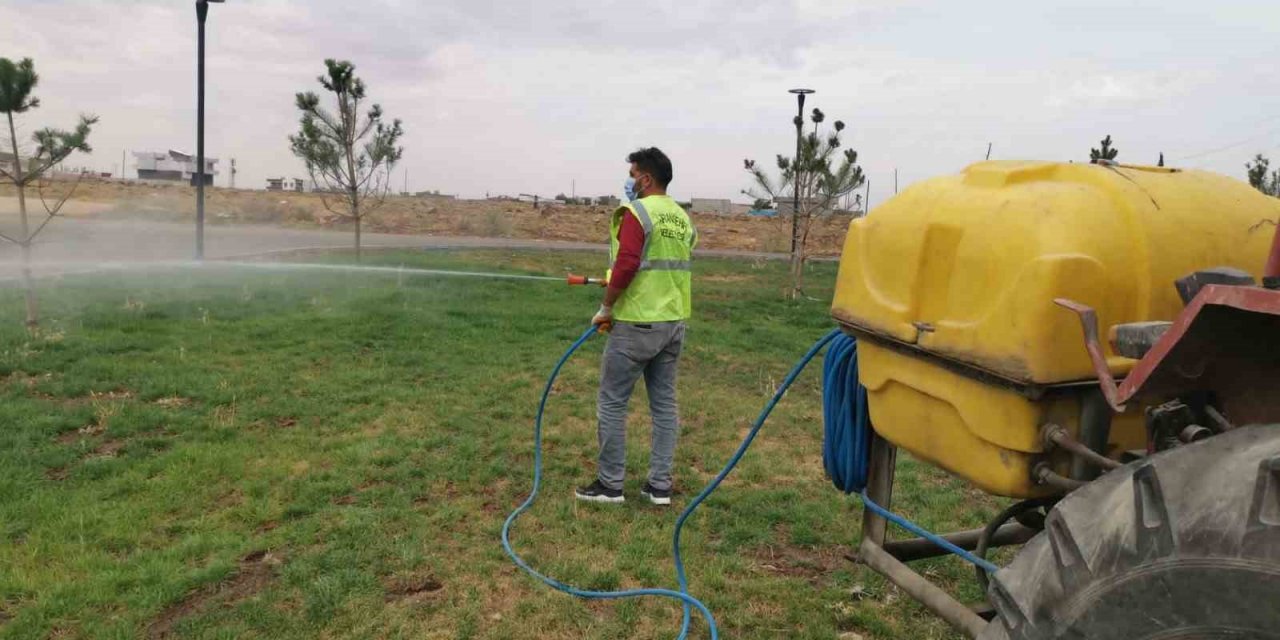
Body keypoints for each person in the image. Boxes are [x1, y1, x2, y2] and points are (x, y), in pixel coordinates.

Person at [575, 147, 697, 506]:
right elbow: (662, 264)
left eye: (632, 175)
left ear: (646, 178)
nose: (629, 182)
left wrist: (607, 306)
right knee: (664, 406)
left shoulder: (637, 212)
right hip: (673, 323)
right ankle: (659, 487)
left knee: (612, 403)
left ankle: (610, 485)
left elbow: (628, 263)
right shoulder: (682, 218)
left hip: (637, 323)